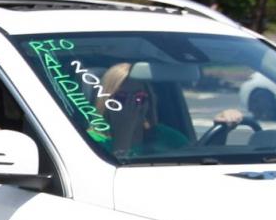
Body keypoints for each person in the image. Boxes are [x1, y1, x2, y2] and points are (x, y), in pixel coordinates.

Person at [98, 62, 242, 157]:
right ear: (106, 99)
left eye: (139, 98)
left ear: (150, 102)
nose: (133, 106)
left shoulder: (168, 137)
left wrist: (222, 126)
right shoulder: (92, 141)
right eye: (121, 99)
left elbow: (200, 163)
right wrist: (124, 133)